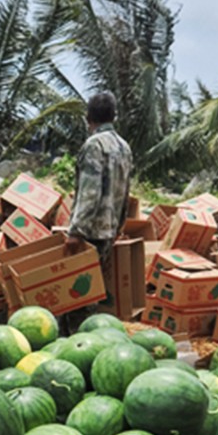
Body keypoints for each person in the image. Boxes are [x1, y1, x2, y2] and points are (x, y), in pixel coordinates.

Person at [63, 92, 134, 326]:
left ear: (89, 117)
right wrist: (119, 225)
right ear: (113, 116)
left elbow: (90, 191)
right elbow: (125, 192)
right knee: (91, 290)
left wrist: (76, 231)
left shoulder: (94, 145)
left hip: (90, 233)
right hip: (108, 231)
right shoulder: (124, 147)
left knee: (75, 295)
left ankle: (75, 342)